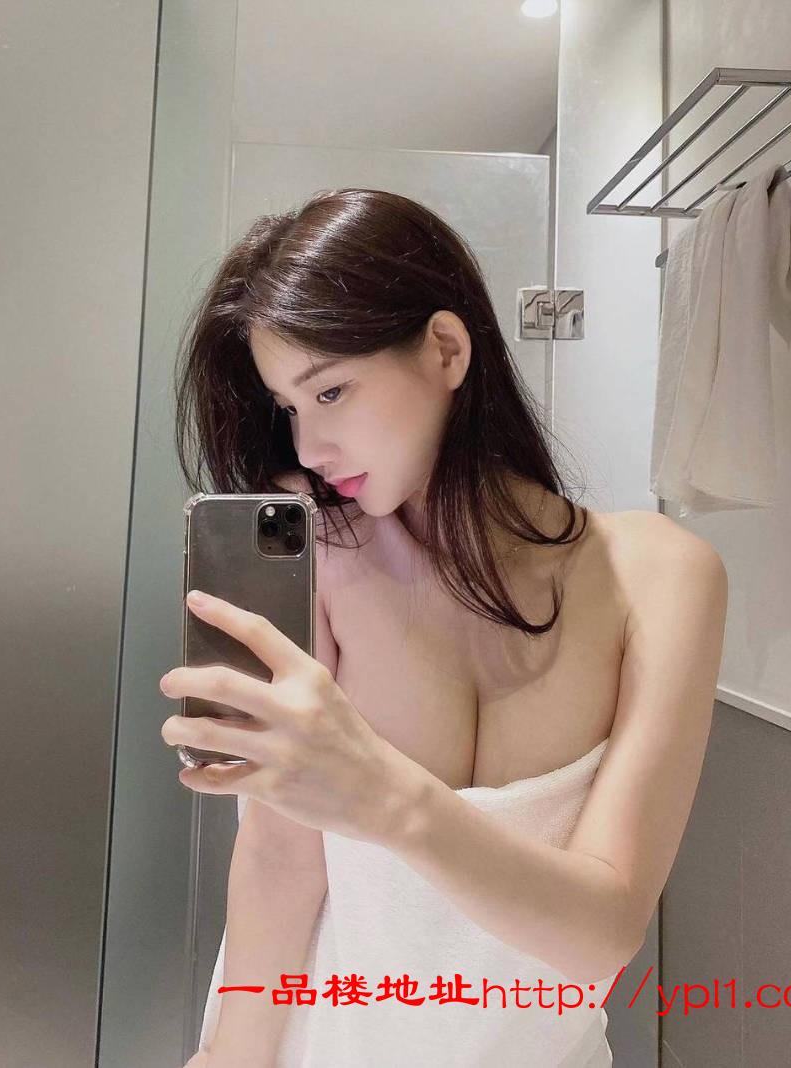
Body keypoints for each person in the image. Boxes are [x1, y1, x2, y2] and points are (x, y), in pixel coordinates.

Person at [160, 187, 728, 1067]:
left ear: (446, 349)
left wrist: (386, 798)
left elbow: (602, 934)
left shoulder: (660, 577)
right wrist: (230, 1058)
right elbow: (280, 863)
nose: (308, 448)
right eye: (289, 407)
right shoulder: (322, 556)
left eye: (331, 390)